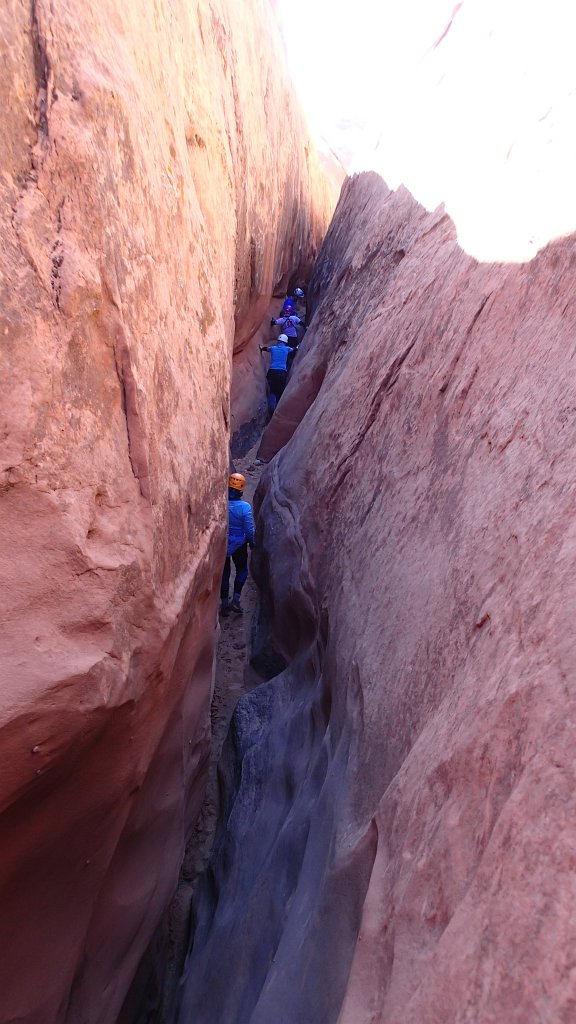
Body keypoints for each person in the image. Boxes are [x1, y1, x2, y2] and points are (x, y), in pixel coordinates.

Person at [220, 472, 255, 616]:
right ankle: (236, 598)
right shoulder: (245, 507)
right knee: (241, 570)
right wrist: (252, 542)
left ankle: (224, 604)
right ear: (241, 489)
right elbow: (249, 528)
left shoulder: (221, 503)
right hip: (240, 544)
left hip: (223, 544)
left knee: (225, 573)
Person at [259, 334, 296, 414]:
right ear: (285, 342)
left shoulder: (273, 348)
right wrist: (297, 347)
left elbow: (265, 348)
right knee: (280, 392)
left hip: (272, 372)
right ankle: (278, 411)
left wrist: (261, 348)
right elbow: (294, 349)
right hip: (282, 373)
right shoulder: (287, 349)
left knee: (272, 391)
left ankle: (271, 408)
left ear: (278, 341)